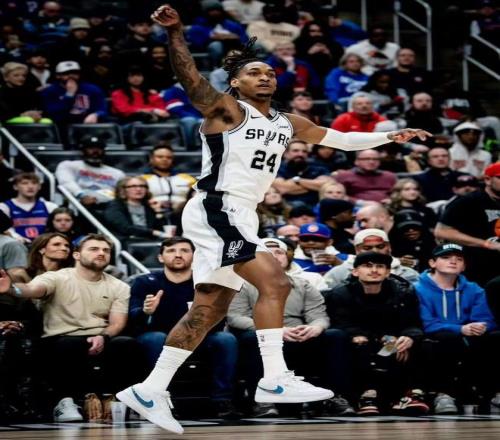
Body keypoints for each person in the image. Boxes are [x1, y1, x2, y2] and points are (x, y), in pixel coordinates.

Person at [116, 5, 430, 434]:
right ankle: (275, 377)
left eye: (269, 72)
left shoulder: (287, 122)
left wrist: (389, 136)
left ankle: (149, 389)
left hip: (242, 213)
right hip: (216, 207)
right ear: (236, 82)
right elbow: (188, 76)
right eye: (254, 72)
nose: (265, 77)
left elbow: (340, 139)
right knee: (277, 282)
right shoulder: (226, 111)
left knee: (209, 309)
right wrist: (174, 33)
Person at [0, 234, 145, 423]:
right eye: (94, 249)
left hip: (99, 335)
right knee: (69, 345)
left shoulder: (119, 286)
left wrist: (103, 337)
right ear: (76, 255)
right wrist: (12, 289)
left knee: (127, 344)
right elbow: (31, 289)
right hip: (61, 337)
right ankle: (65, 402)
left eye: (106, 250)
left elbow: (117, 323)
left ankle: (126, 401)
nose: (101, 253)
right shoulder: (56, 277)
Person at [227, 237, 352, 417]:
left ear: (288, 257)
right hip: (263, 337)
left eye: (279, 252)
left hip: (300, 335)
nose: (273, 257)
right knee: (250, 339)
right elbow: (235, 317)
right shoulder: (242, 285)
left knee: (336, 336)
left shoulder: (303, 284)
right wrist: (276, 331)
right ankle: (263, 401)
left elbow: (318, 316)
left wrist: (315, 328)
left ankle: (335, 397)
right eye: (266, 253)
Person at [128, 237, 240, 418]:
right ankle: (160, 398)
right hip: (158, 337)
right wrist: (146, 312)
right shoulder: (145, 282)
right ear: (160, 257)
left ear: (194, 256)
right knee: (155, 338)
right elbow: (133, 318)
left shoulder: (205, 282)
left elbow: (219, 320)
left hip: (197, 337)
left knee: (225, 339)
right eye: (171, 251)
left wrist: (201, 320)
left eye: (184, 250)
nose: (178, 255)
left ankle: (223, 400)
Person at [324, 251, 426, 415]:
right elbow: (341, 324)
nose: (374, 270)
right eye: (367, 266)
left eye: (380, 266)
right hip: (362, 340)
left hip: (390, 341)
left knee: (415, 345)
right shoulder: (341, 293)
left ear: (388, 272)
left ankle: (406, 395)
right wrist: (383, 337)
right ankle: (366, 396)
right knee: (360, 344)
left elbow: (413, 322)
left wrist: (409, 337)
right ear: (355, 271)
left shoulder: (402, 291)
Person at [414, 243, 500, 413]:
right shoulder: (417, 289)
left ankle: (494, 394)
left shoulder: (474, 289)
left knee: (495, 337)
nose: (453, 261)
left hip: (467, 334)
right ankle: (443, 394)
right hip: (434, 336)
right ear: (432, 263)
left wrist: (481, 326)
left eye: (459, 259)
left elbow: (486, 318)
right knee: (447, 339)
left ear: (464, 266)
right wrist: (461, 329)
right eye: (446, 257)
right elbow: (427, 324)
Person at [435, 162, 500, 286]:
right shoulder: (468, 201)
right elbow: (442, 231)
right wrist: (487, 244)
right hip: (477, 267)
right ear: (487, 180)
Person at [324, 228, 420, 289]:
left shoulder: (407, 273)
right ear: (357, 250)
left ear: (389, 247)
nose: (375, 251)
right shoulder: (338, 273)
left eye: (380, 246)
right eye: (367, 248)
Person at [55, 136, 126, 207]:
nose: (95, 151)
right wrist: (82, 196)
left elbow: (123, 193)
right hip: (77, 205)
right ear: (82, 151)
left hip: (109, 206)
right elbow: (66, 182)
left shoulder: (118, 174)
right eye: (91, 148)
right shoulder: (68, 165)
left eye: (99, 148)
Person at [140, 143, 196, 225]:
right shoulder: (142, 179)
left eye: (169, 157)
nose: (165, 159)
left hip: (184, 216)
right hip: (153, 216)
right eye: (160, 157)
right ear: (151, 159)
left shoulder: (188, 178)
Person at [40, 61, 108, 127]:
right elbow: (53, 113)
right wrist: (69, 94)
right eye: (66, 73)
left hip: (86, 125)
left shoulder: (92, 89)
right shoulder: (50, 91)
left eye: (75, 73)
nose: (71, 76)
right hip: (61, 126)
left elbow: (102, 109)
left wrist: (96, 114)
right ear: (58, 76)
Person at [102, 176, 168, 242]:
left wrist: (158, 212)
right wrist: (152, 232)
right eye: (133, 186)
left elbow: (161, 229)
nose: (139, 189)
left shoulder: (148, 206)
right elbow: (125, 228)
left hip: (150, 240)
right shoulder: (115, 206)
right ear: (123, 190)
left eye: (142, 186)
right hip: (126, 241)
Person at [0, 172, 58, 243]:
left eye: (34, 183)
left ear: (39, 186)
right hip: (17, 244)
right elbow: (5, 229)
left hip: (44, 245)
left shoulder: (50, 206)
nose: (30, 186)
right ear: (15, 187)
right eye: (25, 183)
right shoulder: (4, 207)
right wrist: (17, 238)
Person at [273, 139, 332, 207]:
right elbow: (283, 188)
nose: (300, 154)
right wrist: (314, 185)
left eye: (304, 151)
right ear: (285, 154)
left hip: (317, 206)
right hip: (287, 206)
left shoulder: (318, 167)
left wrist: (297, 180)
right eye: (295, 151)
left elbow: (327, 185)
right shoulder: (276, 168)